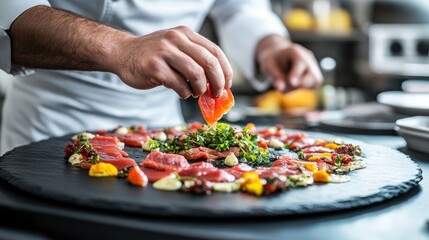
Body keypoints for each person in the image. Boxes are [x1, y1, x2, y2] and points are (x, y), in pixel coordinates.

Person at [0, 0, 323, 155]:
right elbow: (14, 12)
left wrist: (271, 46)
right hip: (52, 122)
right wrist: (123, 48)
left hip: (164, 133)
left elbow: (238, 7)